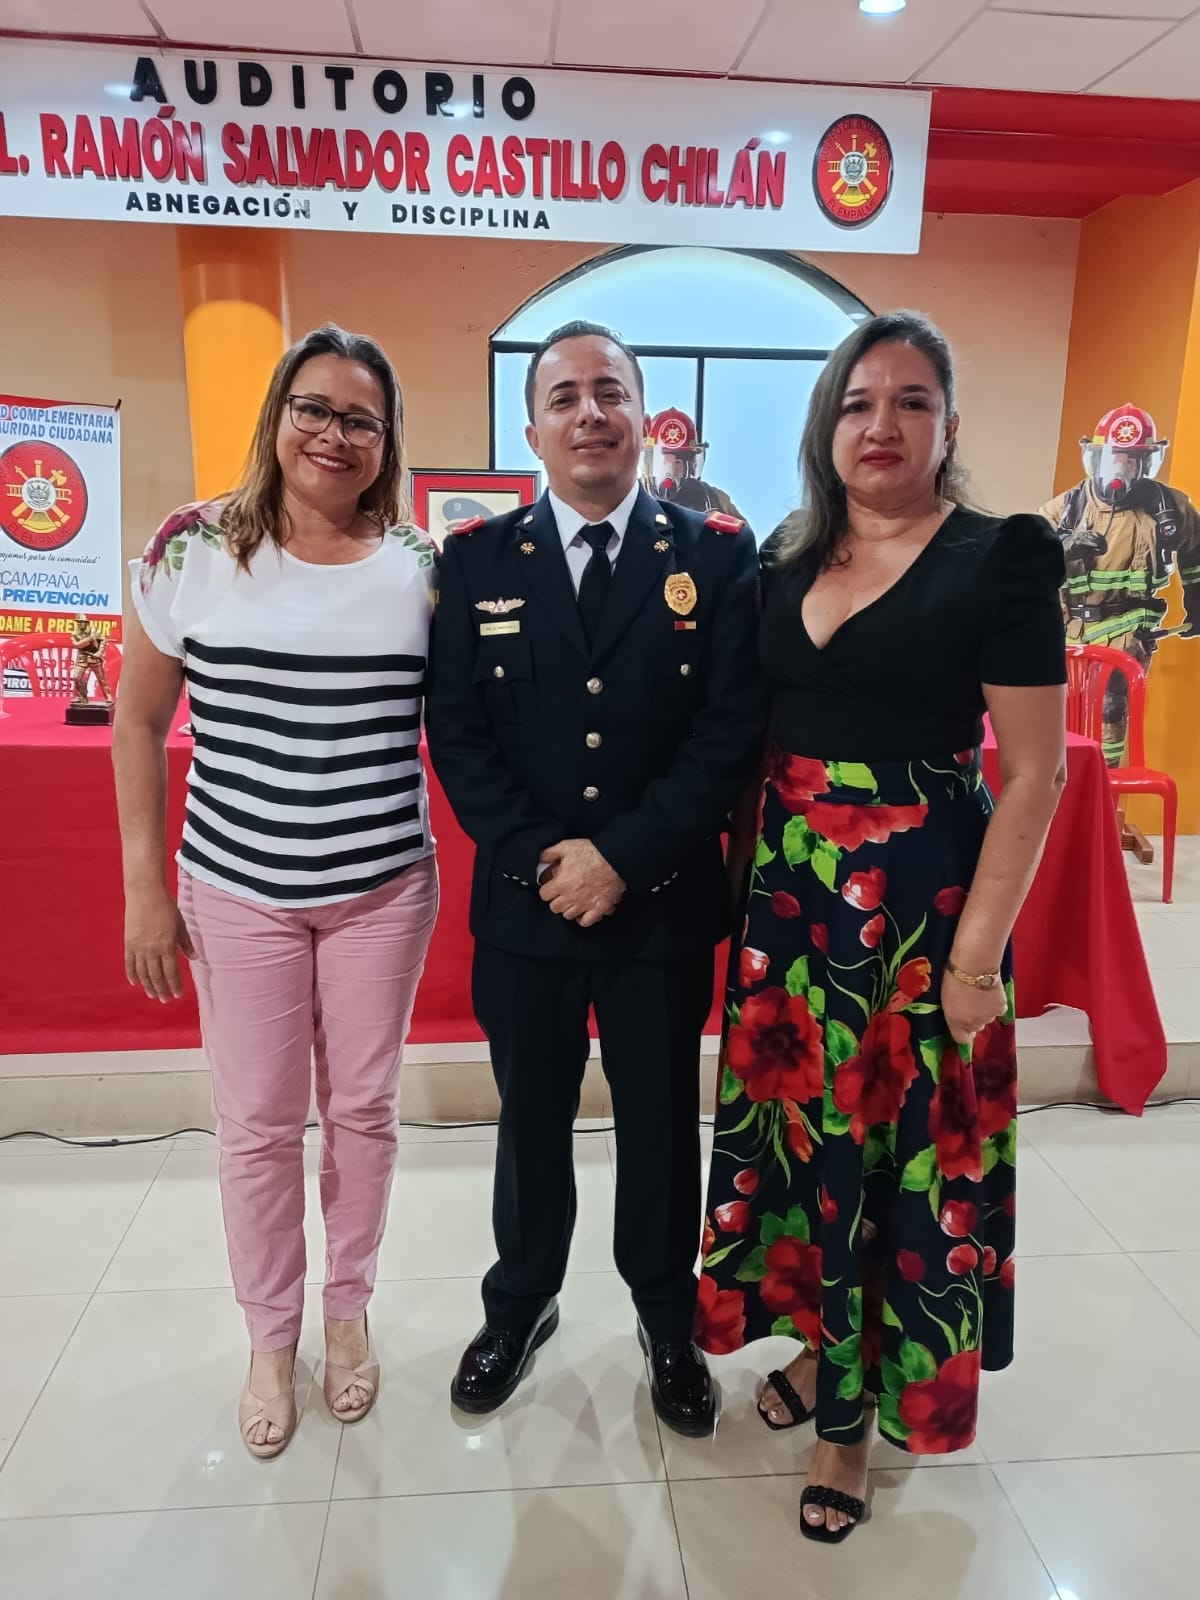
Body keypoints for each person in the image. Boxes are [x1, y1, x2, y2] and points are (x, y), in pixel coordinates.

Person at [696, 310, 1066, 1542]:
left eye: (913, 401)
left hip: (921, 916)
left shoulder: (999, 556)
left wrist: (976, 960)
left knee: (892, 1162)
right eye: (858, 401)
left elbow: (1034, 771)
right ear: (827, 426)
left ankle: (848, 1429)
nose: (883, 423)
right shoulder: (786, 556)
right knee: (811, 1150)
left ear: (949, 425)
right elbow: (756, 739)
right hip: (793, 911)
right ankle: (820, 1345)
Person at [426, 319, 766, 1435]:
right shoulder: (477, 561)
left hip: (656, 906)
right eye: (564, 395)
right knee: (530, 1118)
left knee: (660, 1126)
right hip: (525, 907)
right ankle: (521, 1302)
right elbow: (459, 735)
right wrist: (544, 859)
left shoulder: (715, 558)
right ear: (531, 429)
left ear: (640, 416)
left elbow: (727, 735)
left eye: (610, 391)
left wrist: (622, 857)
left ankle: (667, 1320)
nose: (590, 413)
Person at [113, 324, 439, 1459]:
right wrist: (144, 887)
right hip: (236, 889)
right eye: (314, 408)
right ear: (276, 415)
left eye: (360, 419)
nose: (333, 435)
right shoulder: (191, 548)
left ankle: (346, 1312)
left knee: (363, 1113)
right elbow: (137, 722)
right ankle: (270, 1334)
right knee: (256, 1125)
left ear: (387, 439)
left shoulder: (420, 566)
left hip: (380, 890)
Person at [1038, 402, 1200, 764]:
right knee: (1058, 720)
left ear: (1146, 462)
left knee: (1110, 710)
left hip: (1129, 631)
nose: (1121, 469)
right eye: (1115, 458)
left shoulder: (1168, 508)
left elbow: (1197, 551)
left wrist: (1197, 598)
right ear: (1097, 458)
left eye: (1132, 460)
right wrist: (1061, 547)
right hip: (1067, 631)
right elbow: (1019, 561)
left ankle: (1105, 785)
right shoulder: (1066, 509)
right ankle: (1065, 788)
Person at [643, 406, 745, 519]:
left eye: (678, 461)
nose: (670, 470)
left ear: (691, 464)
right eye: (665, 461)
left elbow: (743, 530)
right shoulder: (631, 495)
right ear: (649, 461)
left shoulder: (713, 500)